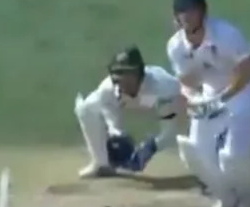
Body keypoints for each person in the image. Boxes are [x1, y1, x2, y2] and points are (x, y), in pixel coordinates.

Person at [166, 0, 250, 207]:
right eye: (182, 11)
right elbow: (187, 81)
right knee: (195, 152)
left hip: (248, 91)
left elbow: (249, 70)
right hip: (212, 93)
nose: (187, 15)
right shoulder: (175, 46)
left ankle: (249, 199)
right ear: (175, 16)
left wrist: (222, 99)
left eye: (192, 10)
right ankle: (225, 198)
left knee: (232, 155)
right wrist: (194, 99)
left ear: (203, 11)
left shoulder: (226, 34)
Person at [74, 46, 185, 178]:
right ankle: (101, 164)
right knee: (86, 108)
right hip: (134, 103)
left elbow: (172, 130)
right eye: (118, 72)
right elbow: (108, 109)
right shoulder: (108, 88)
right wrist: (116, 132)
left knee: (186, 135)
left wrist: (152, 147)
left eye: (127, 73)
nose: (121, 78)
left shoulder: (164, 87)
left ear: (138, 73)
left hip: (165, 104)